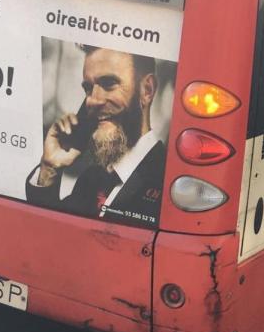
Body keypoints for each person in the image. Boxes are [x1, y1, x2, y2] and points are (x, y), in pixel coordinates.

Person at [27, 45, 165, 227]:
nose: (92, 100)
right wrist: (49, 167)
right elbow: (48, 234)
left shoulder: (166, 180)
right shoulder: (91, 179)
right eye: (88, 88)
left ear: (147, 90)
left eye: (109, 84)